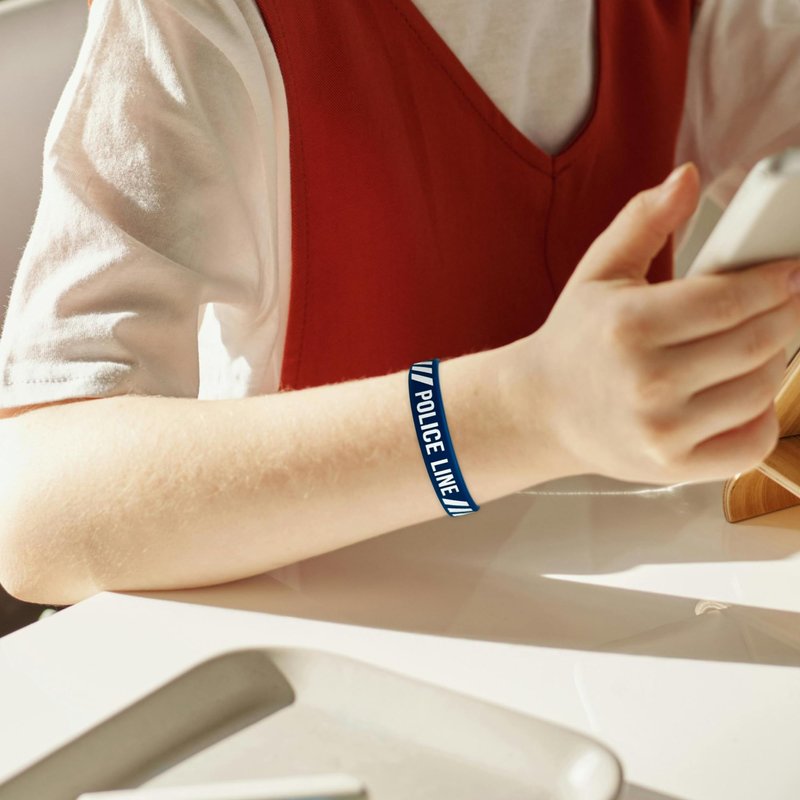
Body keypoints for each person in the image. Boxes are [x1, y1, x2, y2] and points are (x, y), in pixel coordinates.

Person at [1, 0, 799, 606]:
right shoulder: (200, 17)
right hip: (329, 656)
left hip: (617, 629)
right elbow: (36, 511)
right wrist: (522, 411)